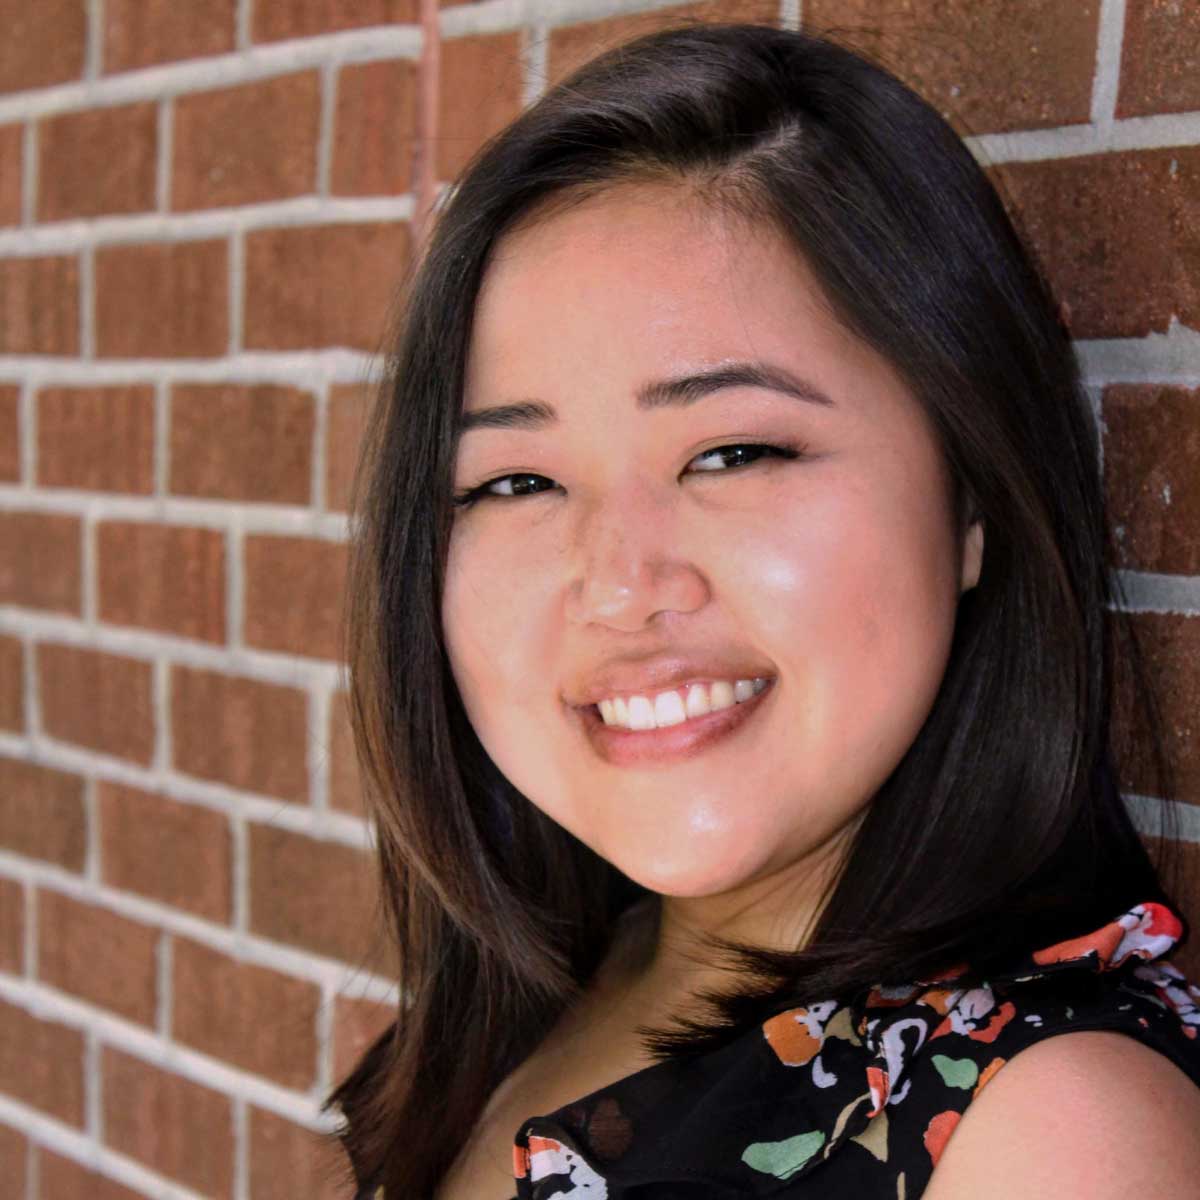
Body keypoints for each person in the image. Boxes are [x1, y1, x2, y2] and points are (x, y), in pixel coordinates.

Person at [325, 21, 1200, 1200]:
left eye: (734, 451)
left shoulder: (1050, 1125)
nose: (623, 583)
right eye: (515, 482)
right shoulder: (546, 991)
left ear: (973, 498)